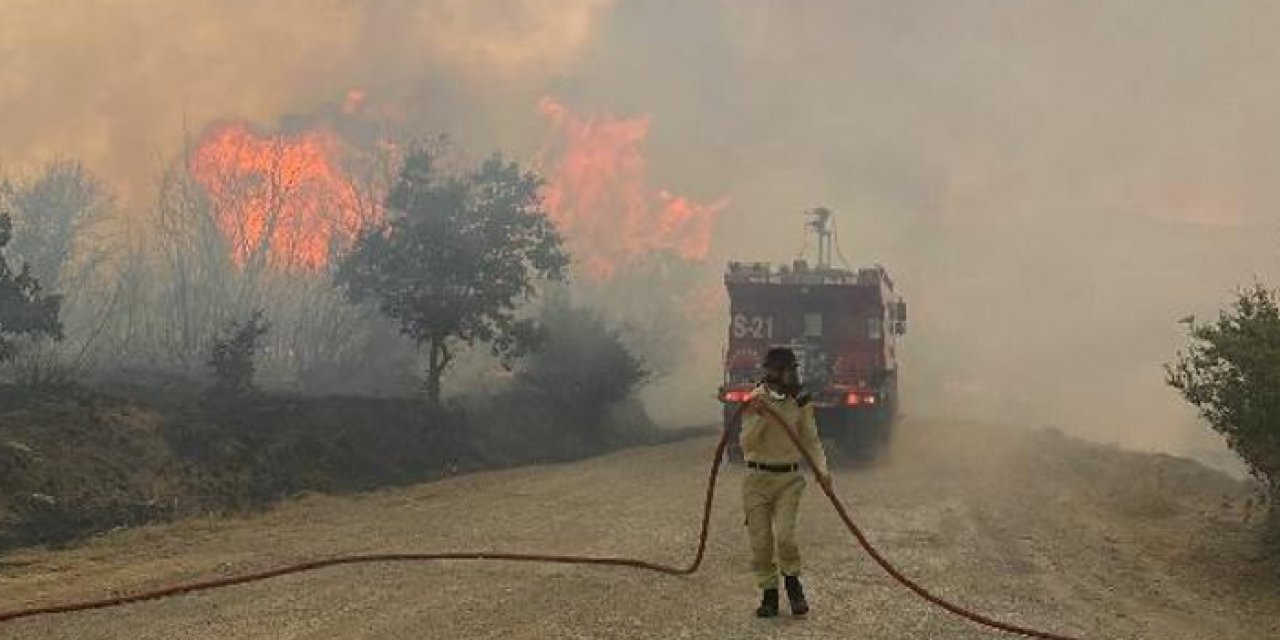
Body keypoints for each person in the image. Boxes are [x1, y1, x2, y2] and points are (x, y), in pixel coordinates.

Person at [739, 346, 831, 618]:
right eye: (789, 371)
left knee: (786, 537)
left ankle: (793, 583)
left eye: (794, 370)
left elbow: (811, 440)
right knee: (761, 543)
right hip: (757, 479)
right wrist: (760, 416)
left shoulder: (800, 402)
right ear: (774, 373)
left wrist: (822, 471)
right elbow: (746, 444)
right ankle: (769, 594)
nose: (793, 377)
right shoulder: (755, 400)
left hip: (788, 479)